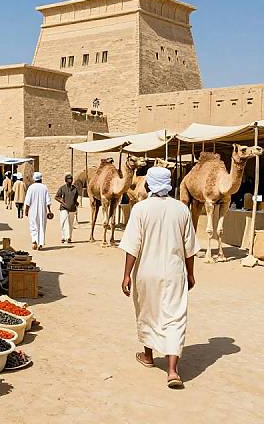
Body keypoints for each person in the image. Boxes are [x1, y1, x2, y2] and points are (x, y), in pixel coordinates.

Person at [119, 167, 199, 389]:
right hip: (175, 273)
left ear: (148, 185)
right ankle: (173, 371)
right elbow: (189, 249)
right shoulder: (182, 210)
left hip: (146, 272)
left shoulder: (140, 209)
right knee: (175, 317)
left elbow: (132, 246)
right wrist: (190, 273)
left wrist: (126, 274)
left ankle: (148, 356)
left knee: (148, 311)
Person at [24, 172, 52, 250]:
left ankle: (34, 240)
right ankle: (40, 243)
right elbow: (48, 201)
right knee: (42, 226)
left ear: (34, 179)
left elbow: (27, 201)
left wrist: (26, 210)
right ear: (41, 179)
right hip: (43, 211)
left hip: (32, 211)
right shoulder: (44, 187)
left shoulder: (31, 187)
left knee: (33, 226)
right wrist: (49, 211)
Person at [55, 173, 79, 244]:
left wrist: (76, 203)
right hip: (64, 208)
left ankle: (69, 238)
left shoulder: (75, 189)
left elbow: (75, 198)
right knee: (64, 222)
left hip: (72, 208)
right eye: (68, 179)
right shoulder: (62, 188)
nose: (70, 180)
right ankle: (64, 237)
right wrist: (62, 202)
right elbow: (56, 197)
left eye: (71, 179)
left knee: (71, 224)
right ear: (65, 180)